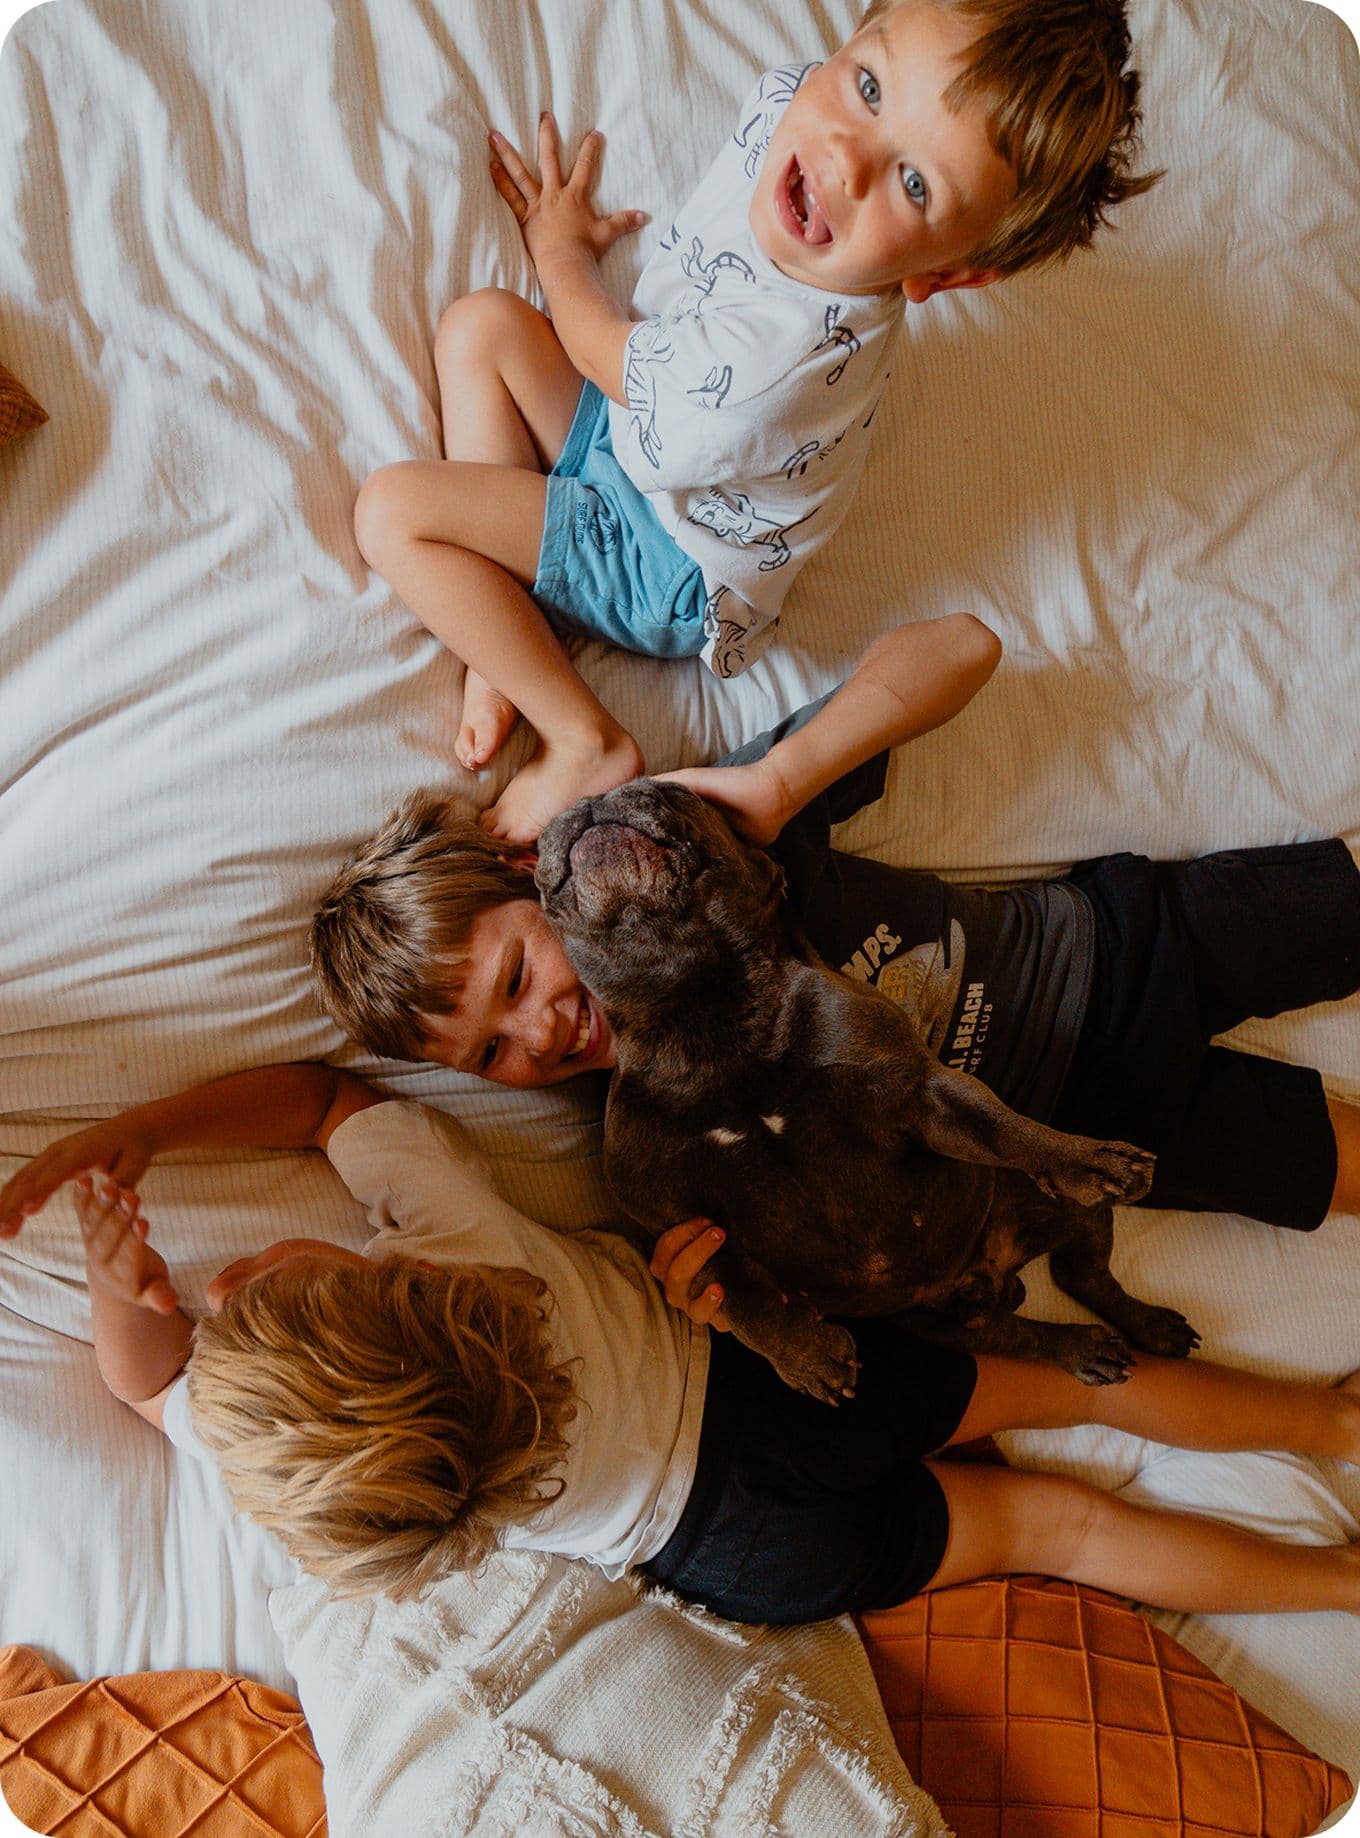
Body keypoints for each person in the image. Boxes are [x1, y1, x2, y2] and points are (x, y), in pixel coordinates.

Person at [4, 1071, 1358, 1624]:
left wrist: (124, 1292)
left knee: (1063, 1527)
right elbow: (324, 1099)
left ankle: (1344, 1588)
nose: (218, 1276)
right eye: (256, 1283)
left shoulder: (300, 1459)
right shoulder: (463, 1247)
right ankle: (1333, 1426)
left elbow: (146, 1382)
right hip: (775, 1394)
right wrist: (152, 1131)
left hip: (734, 1555)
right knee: (1074, 1387)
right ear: (403, 1284)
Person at [302, 625, 1360, 1292]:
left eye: (516, 980)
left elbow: (961, 649)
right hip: (1085, 1135)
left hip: (1117, 948)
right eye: (490, 1055)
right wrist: (714, 1289)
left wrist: (779, 781)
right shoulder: (652, 1133)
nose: (537, 1035)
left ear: (534, 875)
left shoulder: (704, 852)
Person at [353, 0, 1157, 841]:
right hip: (648, 434)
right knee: (481, 326)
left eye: (915, 185)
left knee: (394, 514)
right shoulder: (793, 108)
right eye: (870, 87)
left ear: (948, 275)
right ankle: (508, 634)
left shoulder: (771, 363)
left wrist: (560, 248)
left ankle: (581, 736)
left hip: (672, 557)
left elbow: (605, 351)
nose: (846, 159)